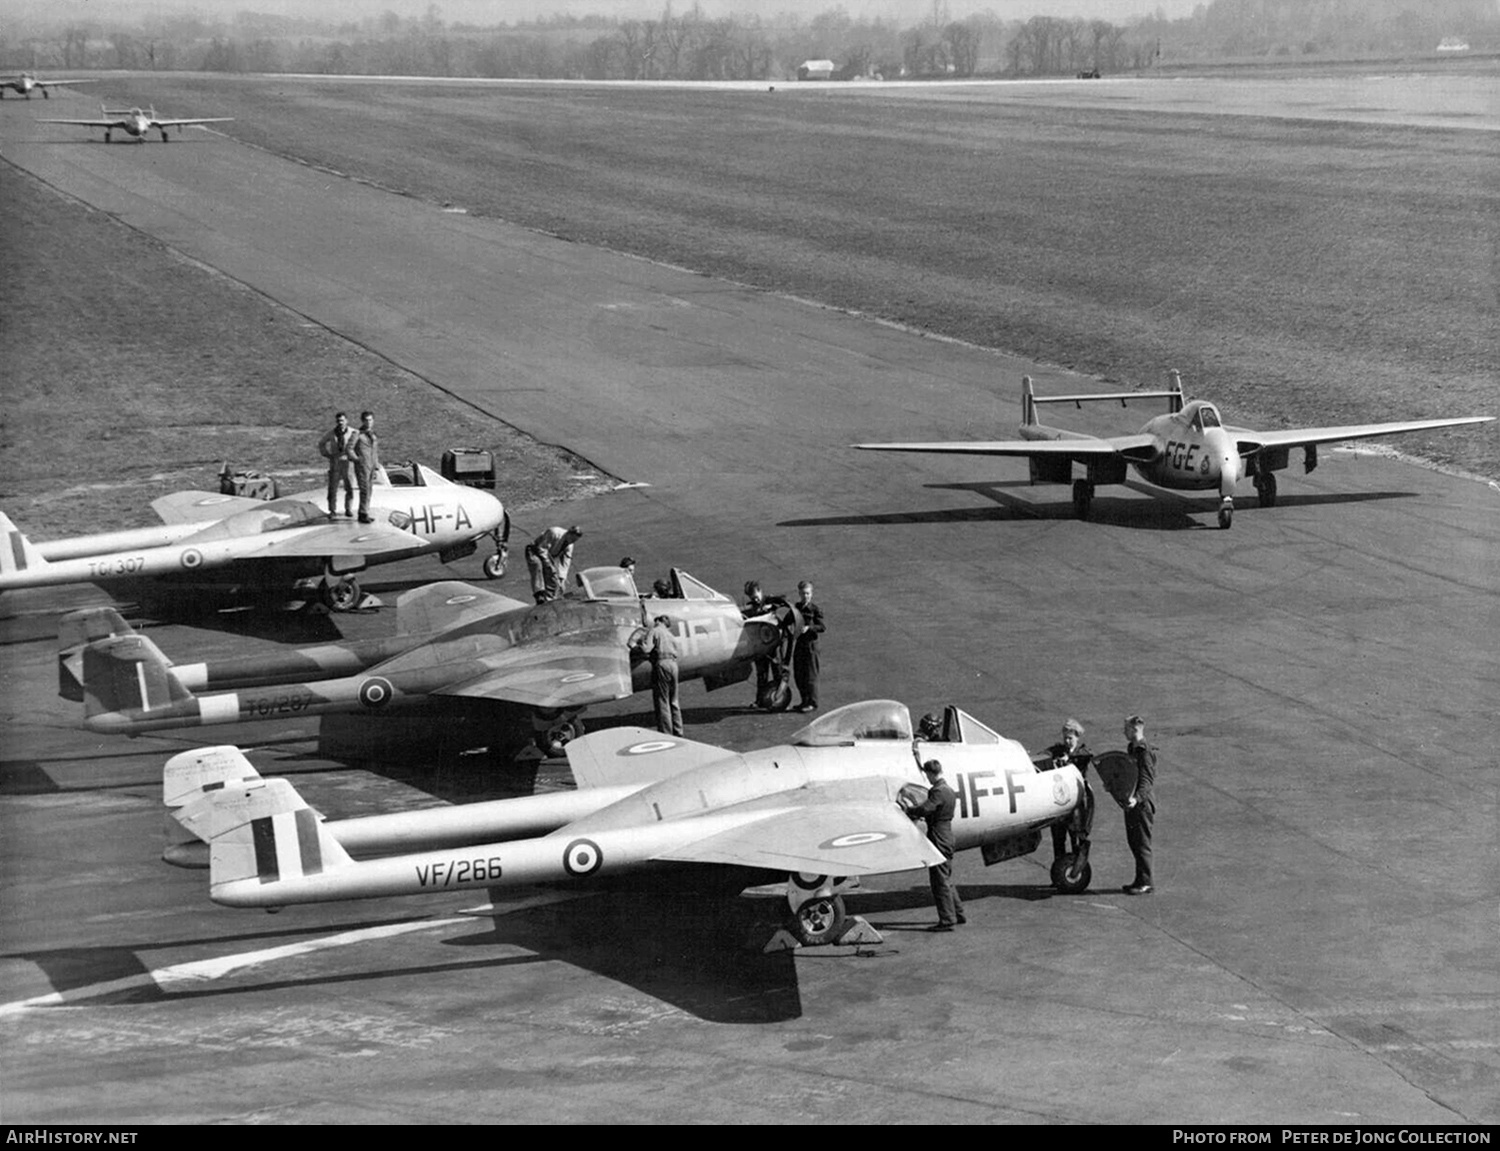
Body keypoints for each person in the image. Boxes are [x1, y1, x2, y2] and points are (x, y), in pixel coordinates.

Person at [904, 759, 965, 931]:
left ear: (931, 773)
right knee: (946, 878)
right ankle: (958, 914)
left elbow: (926, 809)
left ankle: (947, 920)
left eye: (927, 775)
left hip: (938, 836)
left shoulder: (937, 791)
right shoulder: (949, 790)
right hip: (947, 834)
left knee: (939, 882)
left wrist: (909, 810)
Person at [1040, 718, 1093, 863]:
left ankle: (1077, 869)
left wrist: (1068, 758)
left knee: (1076, 837)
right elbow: (1044, 754)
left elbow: (1084, 757)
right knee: (1058, 838)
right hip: (1060, 801)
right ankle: (1059, 871)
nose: (1067, 741)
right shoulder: (1058, 750)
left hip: (1076, 803)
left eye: (1070, 738)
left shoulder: (1083, 752)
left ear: (1077, 737)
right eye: (1065, 738)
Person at [1121, 713, 1157, 894]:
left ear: (1134, 729)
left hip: (1142, 805)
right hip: (1132, 803)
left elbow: (1146, 780)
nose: (1123, 731)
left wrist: (1137, 798)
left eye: (1125, 728)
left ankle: (1146, 882)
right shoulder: (1132, 748)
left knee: (1142, 843)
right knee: (1134, 842)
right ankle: (1139, 879)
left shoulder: (1144, 751)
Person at [633, 614, 682, 736]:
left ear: (659, 621)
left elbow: (647, 650)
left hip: (662, 664)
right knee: (674, 701)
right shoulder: (670, 635)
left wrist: (639, 643)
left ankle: (666, 733)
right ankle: (678, 731)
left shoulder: (654, 631)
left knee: (662, 700)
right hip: (673, 665)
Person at [741, 580, 781, 708]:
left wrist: (771, 607)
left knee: (777, 673)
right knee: (761, 675)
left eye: (756, 597)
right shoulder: (752, 606)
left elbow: (782, 602)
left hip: (774, 646)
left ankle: (779, 699)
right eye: (752, 598)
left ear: (760, 591)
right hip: (761, 647)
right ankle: (760, 701)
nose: (755, 600)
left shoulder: (770, 600)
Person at [525, 525, 583, 604]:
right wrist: (549, 565)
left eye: (575, 541)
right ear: (569, 533)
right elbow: (541, 548)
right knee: (538, 567)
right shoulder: (554, 532)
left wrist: (562, 579)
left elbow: (566, 561)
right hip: (535, 551)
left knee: (553, 578)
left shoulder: (570, 545)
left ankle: (550, 598)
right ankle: (539, 595)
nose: (572, 542)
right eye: (572, 539)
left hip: (549, 555)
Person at [791, 580, 825, 712]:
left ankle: (812, 703)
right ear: (799, 593)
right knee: (799, 674)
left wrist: (809, 628)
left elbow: (822, 627)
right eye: (803, 593)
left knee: (811, 676)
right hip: (800, 644)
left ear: (811, 594)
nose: (805, 596)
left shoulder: (815, 609)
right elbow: (789, 619)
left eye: (808, 593)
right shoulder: (797, 608)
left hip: (811, 646)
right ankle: (804, 700)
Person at [317, 411, 355, 518]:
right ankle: (332, 510)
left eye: (342, 420)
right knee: (333, 488)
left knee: (350, 487)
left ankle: (348, 508)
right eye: (338, 421)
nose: (340, 423)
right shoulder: (332, 433)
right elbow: (322, 443)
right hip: (335, 461)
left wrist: (355, 456)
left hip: (348, 462)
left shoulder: (352, 432)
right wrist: (327, 454)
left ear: (346, 421)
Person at [350, 410, 380, 523]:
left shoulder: (372, 434)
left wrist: (376, 465)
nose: (368, 422)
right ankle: (362, 514)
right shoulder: (357, 434)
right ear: (362, 421)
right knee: (364, 489)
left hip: (371, 465)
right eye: (366, 420)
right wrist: (356, 459)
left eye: (370, 420)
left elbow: (375, 450)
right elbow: (349, 449)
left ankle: (365, 511)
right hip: (362, 466)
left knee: (369, 489)